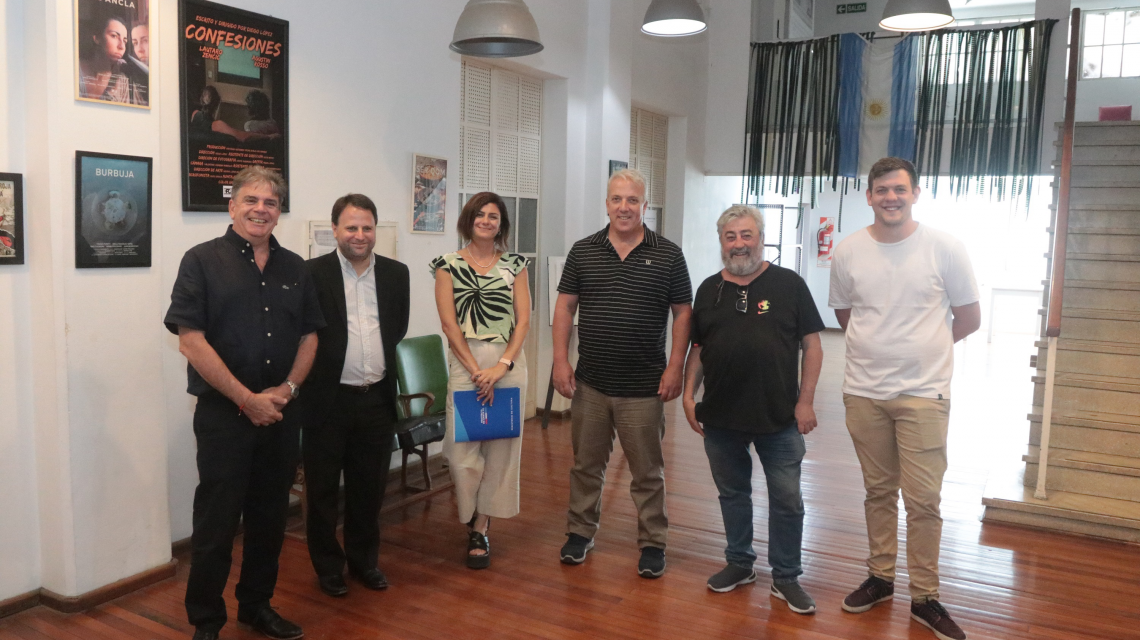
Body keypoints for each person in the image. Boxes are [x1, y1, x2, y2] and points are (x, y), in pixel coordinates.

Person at [165, 166, 324, 640]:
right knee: (216, 523)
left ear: (279, 212)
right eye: (251, 200)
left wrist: (287, 390)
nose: (261, 209)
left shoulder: (295, 268)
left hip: (280, 414)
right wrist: (246, 399)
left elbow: (310, 336)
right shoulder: (200, 261)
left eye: (271, 202)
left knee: (269, 519)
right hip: (224, 416)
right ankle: (206, 620)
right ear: (232, 205)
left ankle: (256, 606)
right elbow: (190, 340)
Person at [829, 157, 980, 640]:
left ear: (916, 193)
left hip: (923, 395)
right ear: (869, 196)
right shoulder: (848, 251)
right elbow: (846, 315)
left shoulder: (945, 248)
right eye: (881, 190)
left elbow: (969, 317)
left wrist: (923, 350)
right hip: (864, 392)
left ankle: (925, 597)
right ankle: (880, 577)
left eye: (899, 189)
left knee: (923, 500)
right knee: (878, 491)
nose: (890, 197)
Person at [682, 205, 824, 614]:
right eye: (731, 236)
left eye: (747, 235)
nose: (739, 244)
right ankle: (740, 563)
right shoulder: (708, 289)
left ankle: (786, 577)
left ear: (760, 238)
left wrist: (805, 401)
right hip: (721, 416)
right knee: (732, 494)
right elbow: (699, 348)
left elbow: (812, 345)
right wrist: (689, 395)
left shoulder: (789, 284)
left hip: (779, 417)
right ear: (721, 242)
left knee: (787, 499)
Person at [552, 168, 692, 578]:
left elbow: (683, 313)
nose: (624, 207)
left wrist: (676, 366)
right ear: (607, 204)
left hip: (644, 387)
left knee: (647, 473)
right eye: (617, 199)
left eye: (633, 200)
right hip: (591, 384)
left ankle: (653, 543)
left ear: (645, 206)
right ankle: (580, 532)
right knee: (586, 466)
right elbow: (565, 307)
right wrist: (560, 360)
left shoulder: (668, 254)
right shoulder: (584, 250)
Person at [303, 194, 409, 596]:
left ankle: (365, 562)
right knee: (323, 492)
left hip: (376, 399)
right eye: (351, 227)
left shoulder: (397, 274)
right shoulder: (311, 273)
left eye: (367, 227)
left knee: (369, 489)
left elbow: (395, 328)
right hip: (327, 401)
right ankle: (329, 568)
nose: (359, 235)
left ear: (375, 229)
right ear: (334, 230)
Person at [431, 191, 531, 569]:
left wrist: (501, 366)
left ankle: (481, 526)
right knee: (462, 453)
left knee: (501, 450)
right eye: (480, 215)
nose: (487, 221)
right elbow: (449, 325)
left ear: (501, 224)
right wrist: (476, 370)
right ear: (468, 220)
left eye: (494, 216)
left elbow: (523, 321)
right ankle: (472, 509)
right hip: (466, 364)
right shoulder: (448, 265)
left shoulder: (515, 265)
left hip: (507, 363)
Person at [78, 13, 147, 105]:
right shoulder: (75, 70)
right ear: (97, 38)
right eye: (114, 36)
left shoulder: (123, 80)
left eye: (125, 41)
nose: (121, 46)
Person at [190, 86, 275, 143]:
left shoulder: (195, 114)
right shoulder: (217, 125)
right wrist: (269, 137)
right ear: (217, 105)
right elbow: (243, 137)